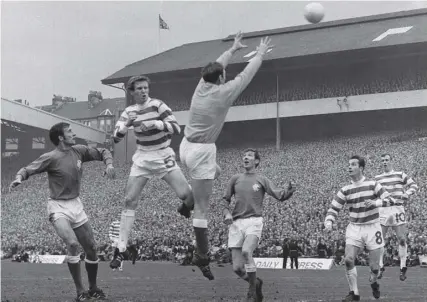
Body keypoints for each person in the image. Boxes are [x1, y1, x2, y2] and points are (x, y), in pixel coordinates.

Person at [178, 31, 274, 280]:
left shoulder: (201, 86)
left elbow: (218, 64)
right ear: (221, 76)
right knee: (203, 207)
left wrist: (232, 49)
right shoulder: (224, 92)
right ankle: (201, 254)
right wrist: (260, 53)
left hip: (185, 145)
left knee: (216, 172)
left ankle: (185, 203)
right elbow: (247, 75)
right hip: (201, 151)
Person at [9, 122, 115, 301]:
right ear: (60, 137)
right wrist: (19, 178)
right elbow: (28, 169)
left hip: (76, 204)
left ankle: (94, 288)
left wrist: (109, 165)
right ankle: (81, 292)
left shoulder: (79, 151)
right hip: (58, 206)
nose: (73, 134)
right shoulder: (50, 157)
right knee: (72, 244)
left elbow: (103, 151)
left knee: (91, 248)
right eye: (69, 132)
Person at [110, 75, 194, 269]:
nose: (143, 91)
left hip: (163, 155)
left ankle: (185, 206)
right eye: (139, 88)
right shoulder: (129, 111)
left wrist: (156, 124)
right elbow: (115, 137)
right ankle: (121, 249)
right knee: (129, 200)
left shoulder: (158, 105)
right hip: (143, 158)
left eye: (145, 88)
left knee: (187, 196)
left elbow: (176, 128)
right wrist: (126, 125)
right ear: (132, 92)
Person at [324, 155, 401, 302]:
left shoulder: (373, 184)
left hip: (372, 227)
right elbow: (334, 208)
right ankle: (354, 293)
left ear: (361, 168)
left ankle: (373, 281)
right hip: (355, 227)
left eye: (353, 164)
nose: (349, 167)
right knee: (348, 259)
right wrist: (329, 221)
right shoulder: (345, 190)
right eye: (349, 164)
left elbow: (390, 199)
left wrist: (376, 203)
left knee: (374, 268)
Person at [222, 148, 295, 302]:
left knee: (247, 252)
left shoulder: (262, 179)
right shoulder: (235, 178)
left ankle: (251, 292)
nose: (245, 157)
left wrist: (289, 191)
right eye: (244, 155)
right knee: (237, 269)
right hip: (236, 224)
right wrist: (226, 213)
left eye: (249, 156)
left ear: (256, 161)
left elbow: (279, 195)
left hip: (254, 221)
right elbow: (225, 200)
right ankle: (256, 283)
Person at [375, 153, 418, 281]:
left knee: (402, 239)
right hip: (383, 209)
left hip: (398, 209)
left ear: (391, 161)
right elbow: (374, 194)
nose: (385, 162)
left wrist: (407, 193)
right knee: (379, 241)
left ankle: (403, 268)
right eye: (382, 160)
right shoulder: (377, 178)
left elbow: (414, 185)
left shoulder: (400, 174)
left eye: (387, 160)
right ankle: (381, 266)